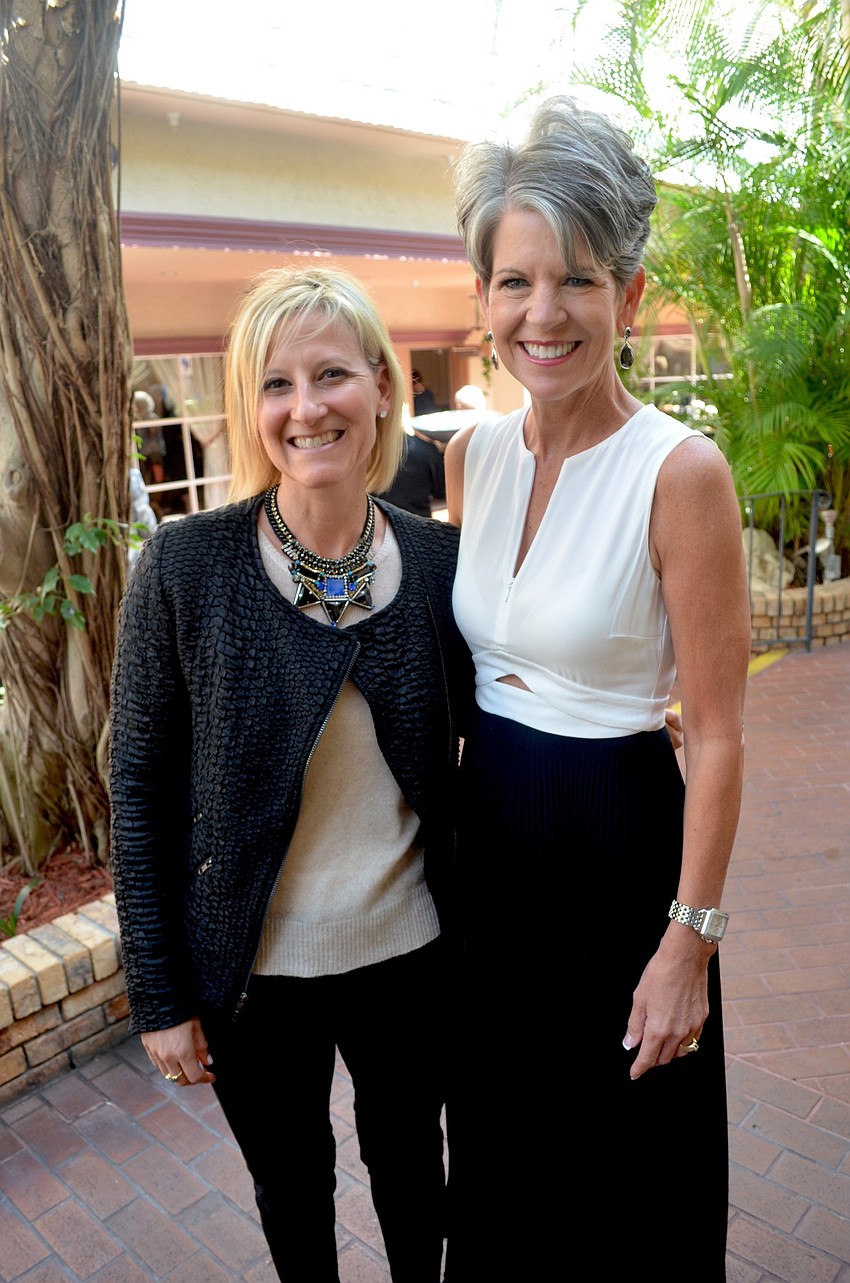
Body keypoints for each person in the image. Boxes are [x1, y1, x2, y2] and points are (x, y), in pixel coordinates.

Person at [108, 265, 475, 1283]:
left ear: (382, 388)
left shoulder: (442, 564)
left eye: (330, 374)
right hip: (253, 976)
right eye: (276, 383)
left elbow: (485, 747)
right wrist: (159, 991)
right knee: (292, 1193)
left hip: (409, 951)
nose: (306, 406)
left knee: (414, 1172)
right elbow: (135, 784)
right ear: (250, 406)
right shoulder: (185, 566)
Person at [442, 96, 751, 1278]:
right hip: (493, 861)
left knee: (632, 1183)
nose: (543, 312)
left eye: (575, 278)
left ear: (624, 293)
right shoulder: (469, 456)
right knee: (507, 1174)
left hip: (621, 848)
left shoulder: (680, 472)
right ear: (482, 299)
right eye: (514, 281)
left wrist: (689, 945)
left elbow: (717, 737)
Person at [378, 424, 447, 518]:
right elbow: (441, 492)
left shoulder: (366, 455)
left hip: (381, 523)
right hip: (419, 523)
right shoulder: (428, 449)